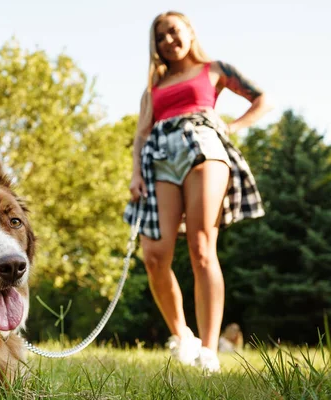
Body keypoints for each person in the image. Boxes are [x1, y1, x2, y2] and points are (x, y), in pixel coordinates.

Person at [123, 11, 271, 373]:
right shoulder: (153, 87)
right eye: (160, 36)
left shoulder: (214, 69)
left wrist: (232, 126)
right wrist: (135, 175)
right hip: (160, 157)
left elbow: (261, 98)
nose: (168, 40)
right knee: (155, 256)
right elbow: (142, 134)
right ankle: (183, 336)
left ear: (189, 31)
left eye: (173, 31)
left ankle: (209, 350)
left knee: (202, 247)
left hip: (203, 147)